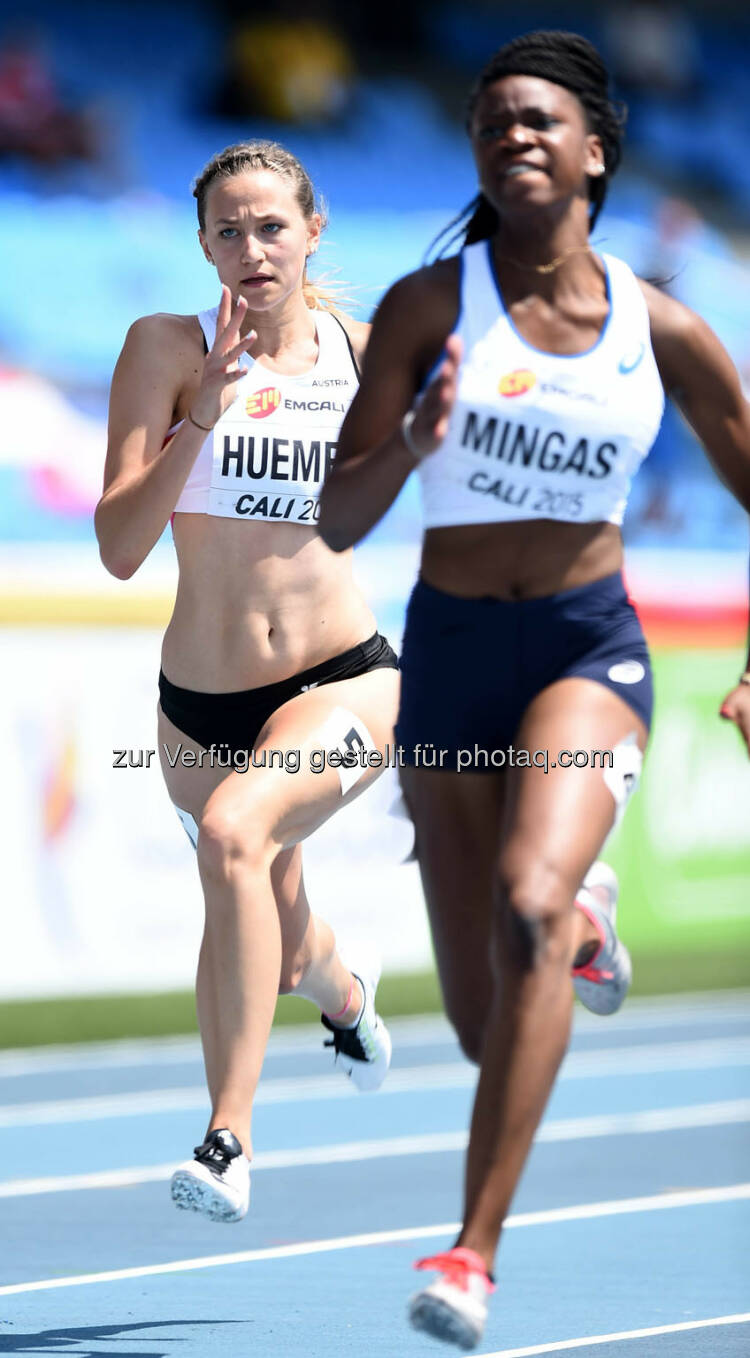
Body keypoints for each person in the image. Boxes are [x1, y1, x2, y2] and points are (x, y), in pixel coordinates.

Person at [319, 30, 750, 1348]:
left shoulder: (658, 324)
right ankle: (579, 917)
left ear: (592, 152)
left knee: (523, 897)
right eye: (491, 120)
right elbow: (337, 516)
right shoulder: (424, 306)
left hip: (582, 649)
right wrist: (410, 439)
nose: (511, 134)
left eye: (537, 118)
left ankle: (471, 1250)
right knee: (476, 1022)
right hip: (450, 655)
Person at [95, 140, 399, 1225]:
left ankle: (228, 1140)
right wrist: (200, 418)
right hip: (201, 705)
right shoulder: (165, 347)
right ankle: (348, 994)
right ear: (202, 245)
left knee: (234, 834)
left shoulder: (365, 355)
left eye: (271, 225)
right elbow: (121, 545)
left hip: (343, 677)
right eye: (228, 229)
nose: (251, 247)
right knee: (274, 934)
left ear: (313, 230)